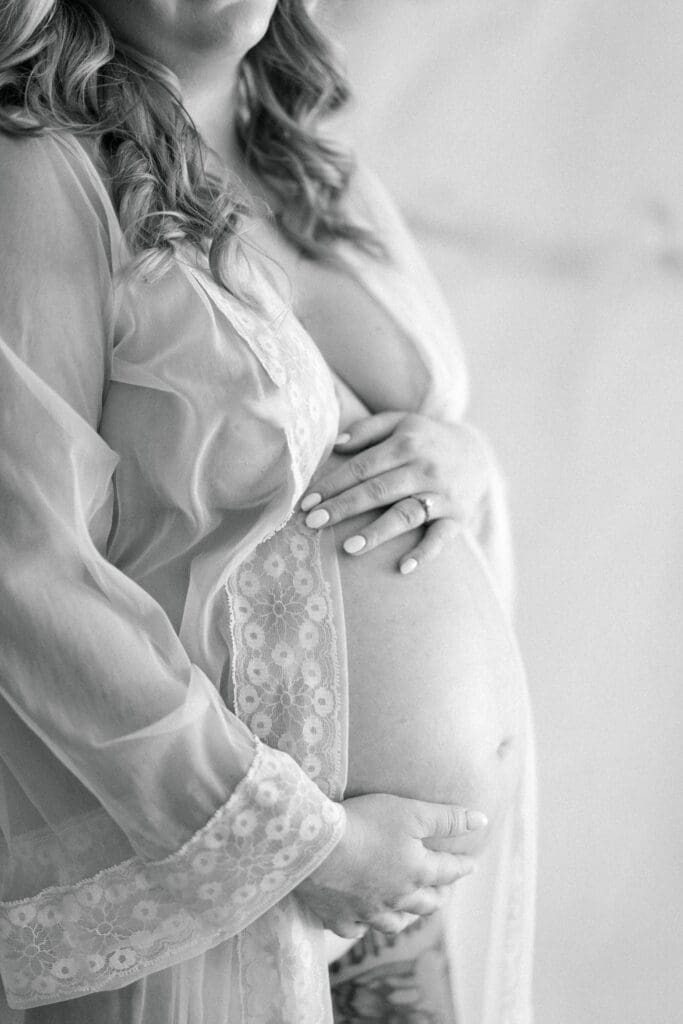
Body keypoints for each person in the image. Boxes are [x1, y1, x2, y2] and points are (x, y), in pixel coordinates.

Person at [0, 1, 536, 1021]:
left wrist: (463, 460)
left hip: (402, 893)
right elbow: (25, 569)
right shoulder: (41, 171)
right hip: (224, 887)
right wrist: (298, 841)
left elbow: (419, 431)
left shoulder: (318, 170)